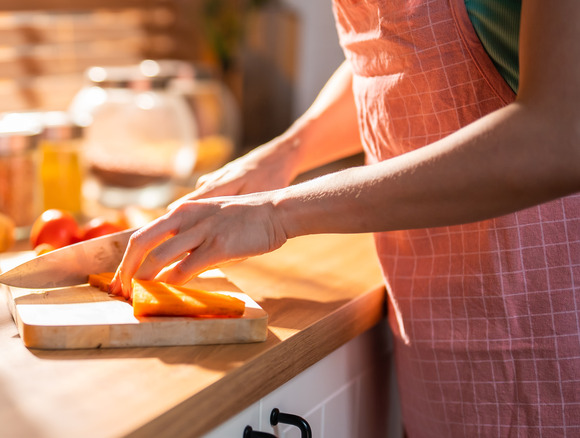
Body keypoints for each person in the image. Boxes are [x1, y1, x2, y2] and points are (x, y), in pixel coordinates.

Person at [111, 1, 580, 436]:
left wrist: (279, 212)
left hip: (557, 339)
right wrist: (289, 151)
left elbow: (559, 135)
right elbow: (397, 57)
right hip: (439, 338)